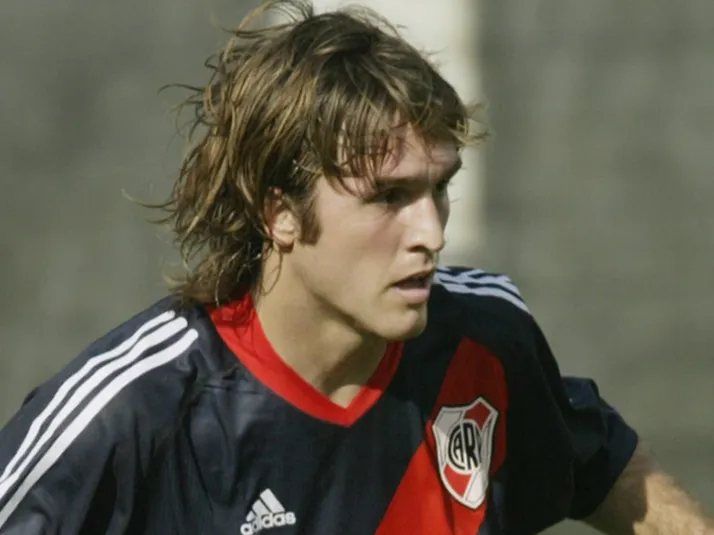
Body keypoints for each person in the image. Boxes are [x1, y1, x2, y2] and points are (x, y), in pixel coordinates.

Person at [0, 0, 711, 533]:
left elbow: (602, 460)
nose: (430, 232)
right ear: (279, 211)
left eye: (439, 188)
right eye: (388, 197)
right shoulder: (135, 412)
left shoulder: (486, 340)